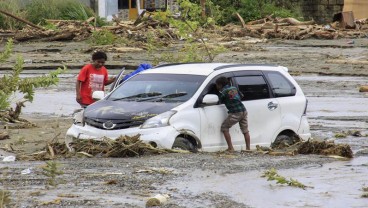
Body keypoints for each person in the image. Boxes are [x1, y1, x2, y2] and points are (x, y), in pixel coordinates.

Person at [215, 76, 250, 152]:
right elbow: (241, 96)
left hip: (235, 112)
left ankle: (230, 148)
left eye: (217, 85)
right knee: (245, 130)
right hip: (243, 110)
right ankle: (248, 148)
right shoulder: (234, 88)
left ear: (220, 85)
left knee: (224, 127)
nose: (217, 87)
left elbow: (219, 101)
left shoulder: (223, 92)